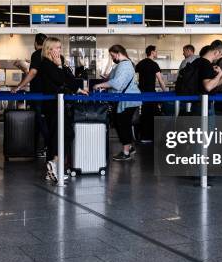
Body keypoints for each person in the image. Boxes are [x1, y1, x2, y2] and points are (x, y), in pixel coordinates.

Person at [39, 37, 87, 181]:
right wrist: (59, 66)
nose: (60, 50)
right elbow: (59, 80)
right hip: (53, 106)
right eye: (57, 48)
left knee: (64, 134)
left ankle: (54, 165)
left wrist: (78, 90)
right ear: (49, 49)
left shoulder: (58, 62)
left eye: (60, 47)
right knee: (61, 134)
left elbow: (70, 79)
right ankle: (54, 163)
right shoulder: (47, 64)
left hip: (60, 105)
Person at [94, 45, 142, 161]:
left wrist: (99, 85)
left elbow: (117, 83)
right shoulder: (122, 65)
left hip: (127, 100)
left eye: (112, 55)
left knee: (123, 124)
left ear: (118, 53)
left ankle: (126, 152)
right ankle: (129, 148)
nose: (112, 58)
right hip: (126, 100)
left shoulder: (125, 65)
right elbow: (112, 79)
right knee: (120, 123)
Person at [13, 33, 49, 157]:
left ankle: (46, 147)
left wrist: (19, 87)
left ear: (35, 43)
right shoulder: (49, 54)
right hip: (49, 94)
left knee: (40, 121)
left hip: (38, 94)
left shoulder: (37, 54)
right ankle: (45, 147)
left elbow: (33, 73)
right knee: (45, 121)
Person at [135, 45, 166, 142]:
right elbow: (160, 80)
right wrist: (165, 92)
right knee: (154, 114)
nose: (157, 53)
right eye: (156, 52)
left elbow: (134, 77)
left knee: (145, 113)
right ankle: (151, 137)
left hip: (142, 93)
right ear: (152, 52)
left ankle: (145, 136)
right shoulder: (154, 64)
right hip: (151, 93)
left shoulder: (140, 63)